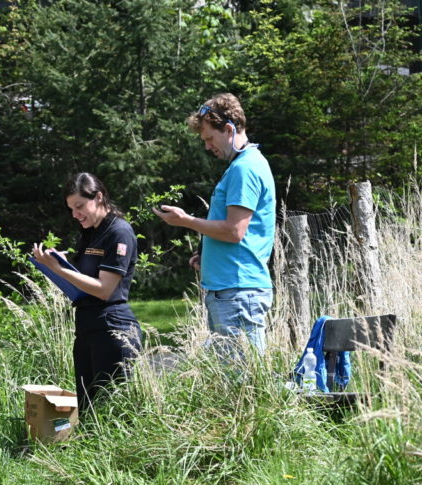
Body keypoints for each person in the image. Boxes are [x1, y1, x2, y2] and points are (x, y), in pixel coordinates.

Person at [153, 93, 276, 353]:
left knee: (242, 385)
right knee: (234, 383)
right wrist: (208, 254)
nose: (208, 147)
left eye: (210, 138)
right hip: (232, 290)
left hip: (238, 291)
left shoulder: (245, 169)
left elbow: (234, 231)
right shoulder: (243, 166)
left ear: (229, 129)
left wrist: (186, 221)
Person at [31, 172, 141, 410]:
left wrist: (59, 269)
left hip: (112, 327)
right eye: (71, 208)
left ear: (98, 197)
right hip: (86, 324)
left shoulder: (118, 232)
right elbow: (82, 277)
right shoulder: (90, 232)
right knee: (88, 409)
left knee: (111, 410)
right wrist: (63, 262)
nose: (75, 214)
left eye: (80, 206)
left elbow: (104, 289)